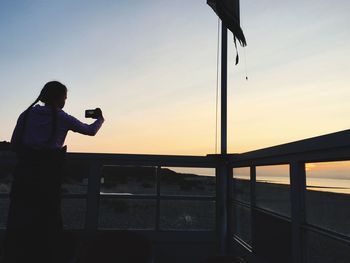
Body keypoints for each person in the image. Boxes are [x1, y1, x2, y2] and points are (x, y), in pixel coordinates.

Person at [3, 81, 104, 263]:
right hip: (48, 177)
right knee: (49, 219)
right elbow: (90, 131)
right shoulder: (62, 117)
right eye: (65, 97)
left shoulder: (25, 115)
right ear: (59, 98)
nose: (65, 101)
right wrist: (100, 119)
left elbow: (14, 143)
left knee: (20, 217)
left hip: (24, 175)